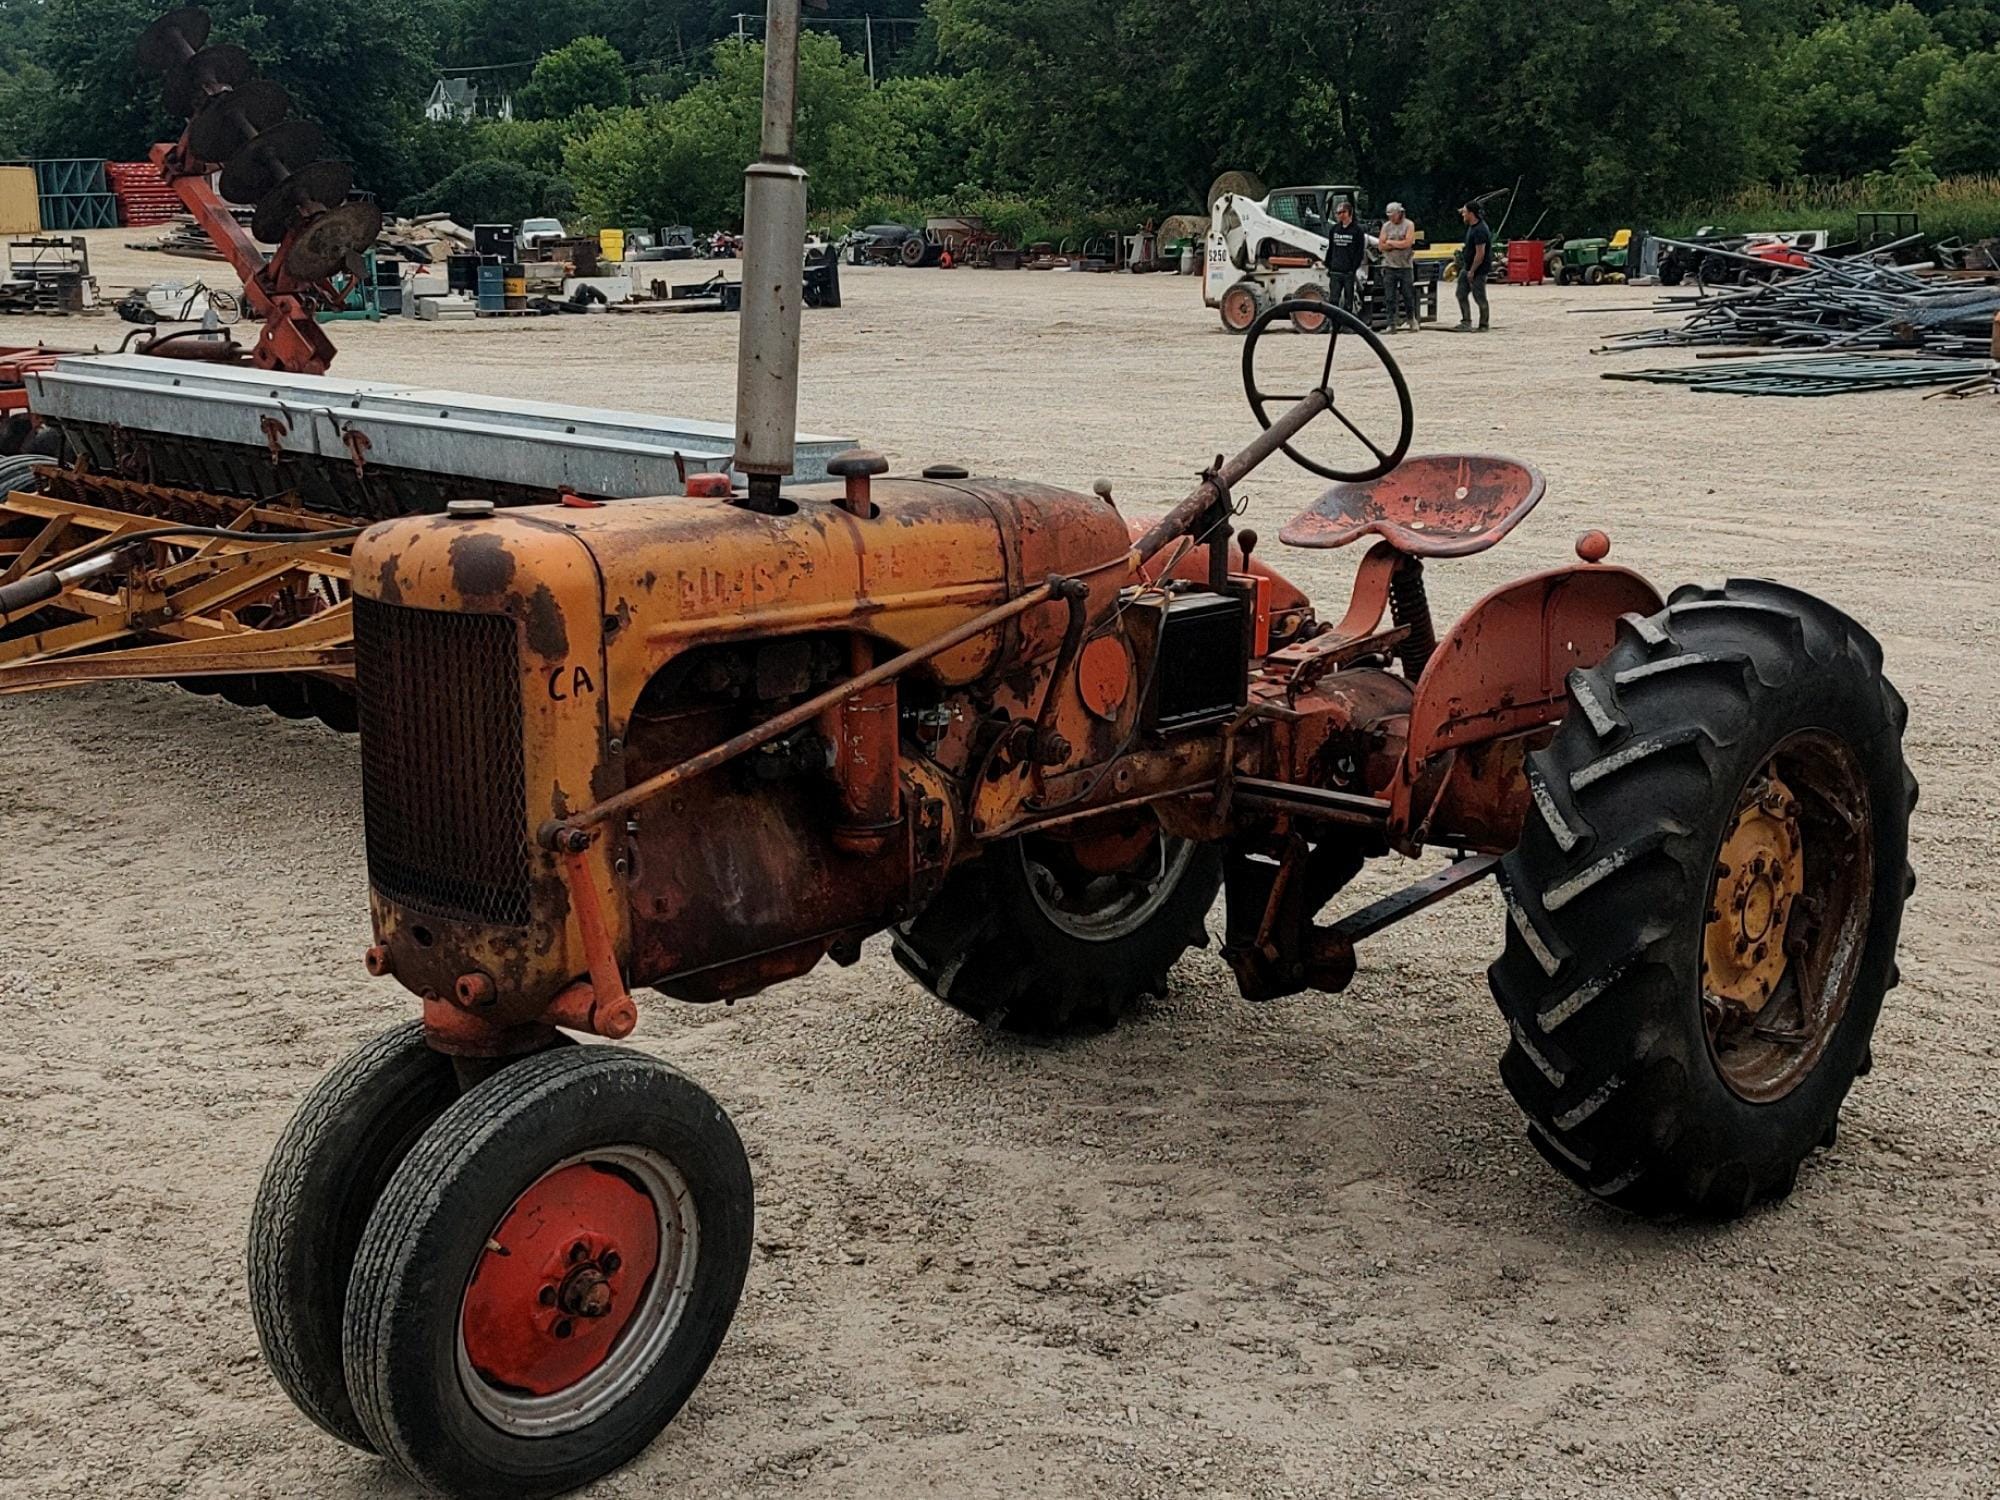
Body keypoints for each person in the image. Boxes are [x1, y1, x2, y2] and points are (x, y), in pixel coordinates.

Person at [1378, 202, 1418, 332]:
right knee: (1389, 297)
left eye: (1393, 215)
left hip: (1405, 266)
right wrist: (1397, 244)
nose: (1391, 218)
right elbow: (1381, 245)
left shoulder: (1409, 225)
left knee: (1408, 295)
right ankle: (1391, 323)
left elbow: (1408, 242)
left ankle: (1411, 319)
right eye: (1389, 215)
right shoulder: (1386, 226)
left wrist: (1390, 243)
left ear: (1399, 213)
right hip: (1389, 266)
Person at [1454, 202, 1491, 331]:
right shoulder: (1472, 226)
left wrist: (1472, 271)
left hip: (1478, 269)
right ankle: (1466, 321)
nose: (1462, 214)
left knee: (1479, 297)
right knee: (1461, 294)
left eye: (1464, 212)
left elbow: (1480, 254)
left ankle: (1483, 324)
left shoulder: (1480, 230)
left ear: (1471, 213)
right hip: (1467, 267)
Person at [1324, 199, 1366, 314]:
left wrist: (1353, 269)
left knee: (1349, 300)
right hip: (1335, 271)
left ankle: (1348, 325)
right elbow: (1331, 248)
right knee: (1333, 300)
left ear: (1349, 213)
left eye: (1343, 212)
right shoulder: (1334, 229)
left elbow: (1359, 252)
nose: (1340, 215)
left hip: (1348, 272)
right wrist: (1328, 265)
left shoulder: (1357, 231)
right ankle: (1334, 324)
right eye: (1338, 213)